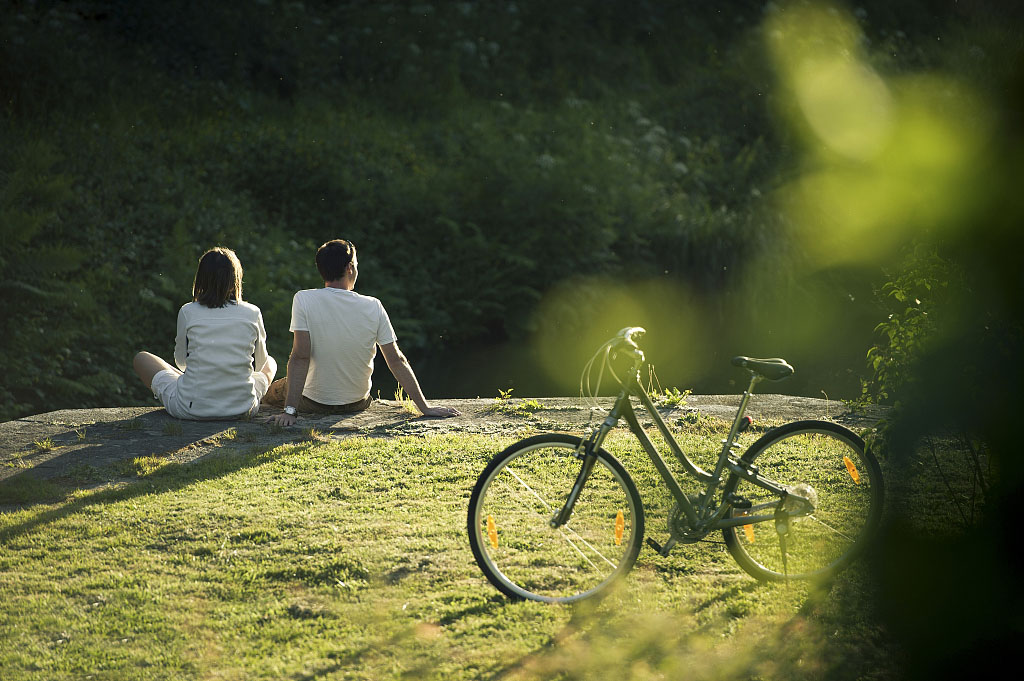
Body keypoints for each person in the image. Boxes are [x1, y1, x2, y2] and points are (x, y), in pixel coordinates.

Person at [263, 239, 459, 426]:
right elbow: (396, 360)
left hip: (313, 403)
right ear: (349, 268)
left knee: (272, 392)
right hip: (357, 403)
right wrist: (425, 407)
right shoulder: (374, 305)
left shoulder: (304, 299)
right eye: (356, 264)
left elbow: (300, 357)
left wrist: (289, 411)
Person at [133, 247, 277, 420]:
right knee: (271, 362)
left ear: (201, 279)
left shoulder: (188, 311)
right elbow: (260, 365)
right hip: (243, 407)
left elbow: (181, 363)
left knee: (141, 358)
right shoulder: (252, 312)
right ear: (235, 279)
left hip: (191, 408)